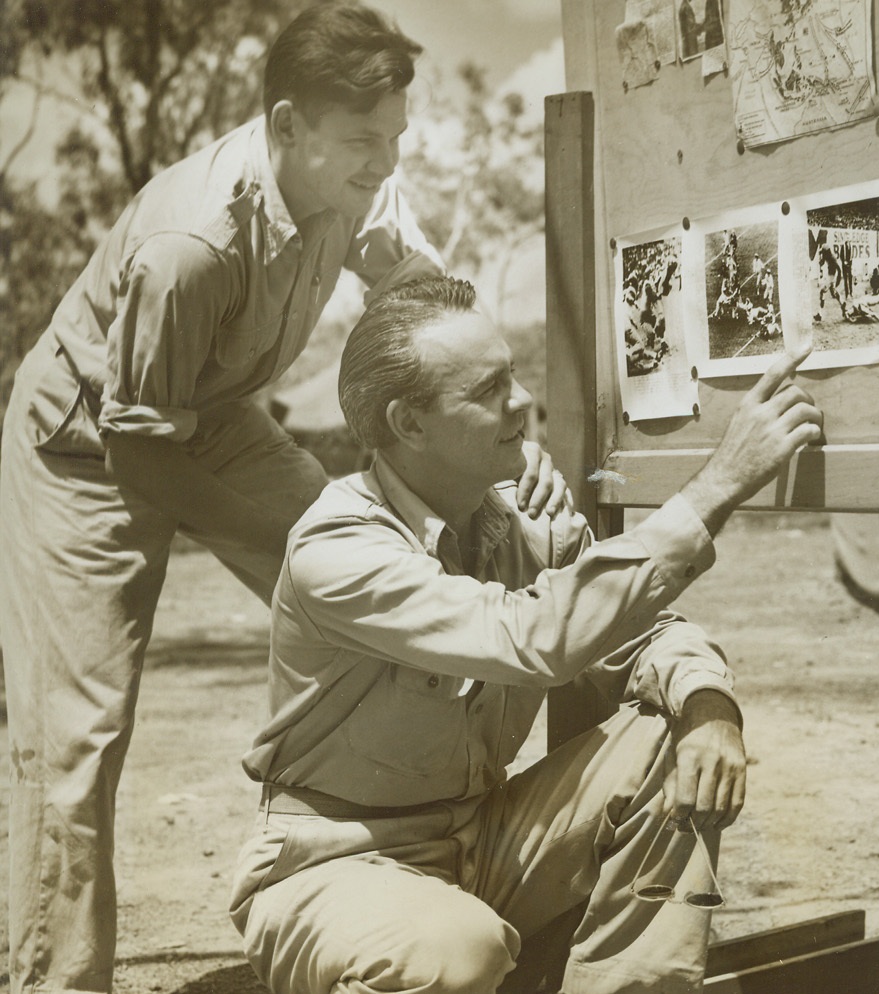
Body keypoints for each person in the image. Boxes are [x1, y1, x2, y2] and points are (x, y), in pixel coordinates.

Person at [0, 6, 564, 993]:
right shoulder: (191, 242)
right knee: (78, 736)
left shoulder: (355, 182)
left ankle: (395, 871)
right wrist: (310, 559)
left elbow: (432, 315)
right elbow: (141, 456)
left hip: (213, 412)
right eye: (363, 140)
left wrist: (508, 435)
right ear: (287, 125)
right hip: (87, 446)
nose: (385, 162)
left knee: (399, 575)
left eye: (395, 137)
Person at [229, 275, 825, 994]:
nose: (522, 401)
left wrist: (710, 706)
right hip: (334, 864)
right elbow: (529, 634)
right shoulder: (338, 548)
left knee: (676, 737)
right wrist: (719, 482)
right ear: (409, 424)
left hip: (480, 843)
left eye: (512, 374)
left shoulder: (523, 521)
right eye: (488, 390)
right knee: (457, 951)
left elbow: (640, 635)